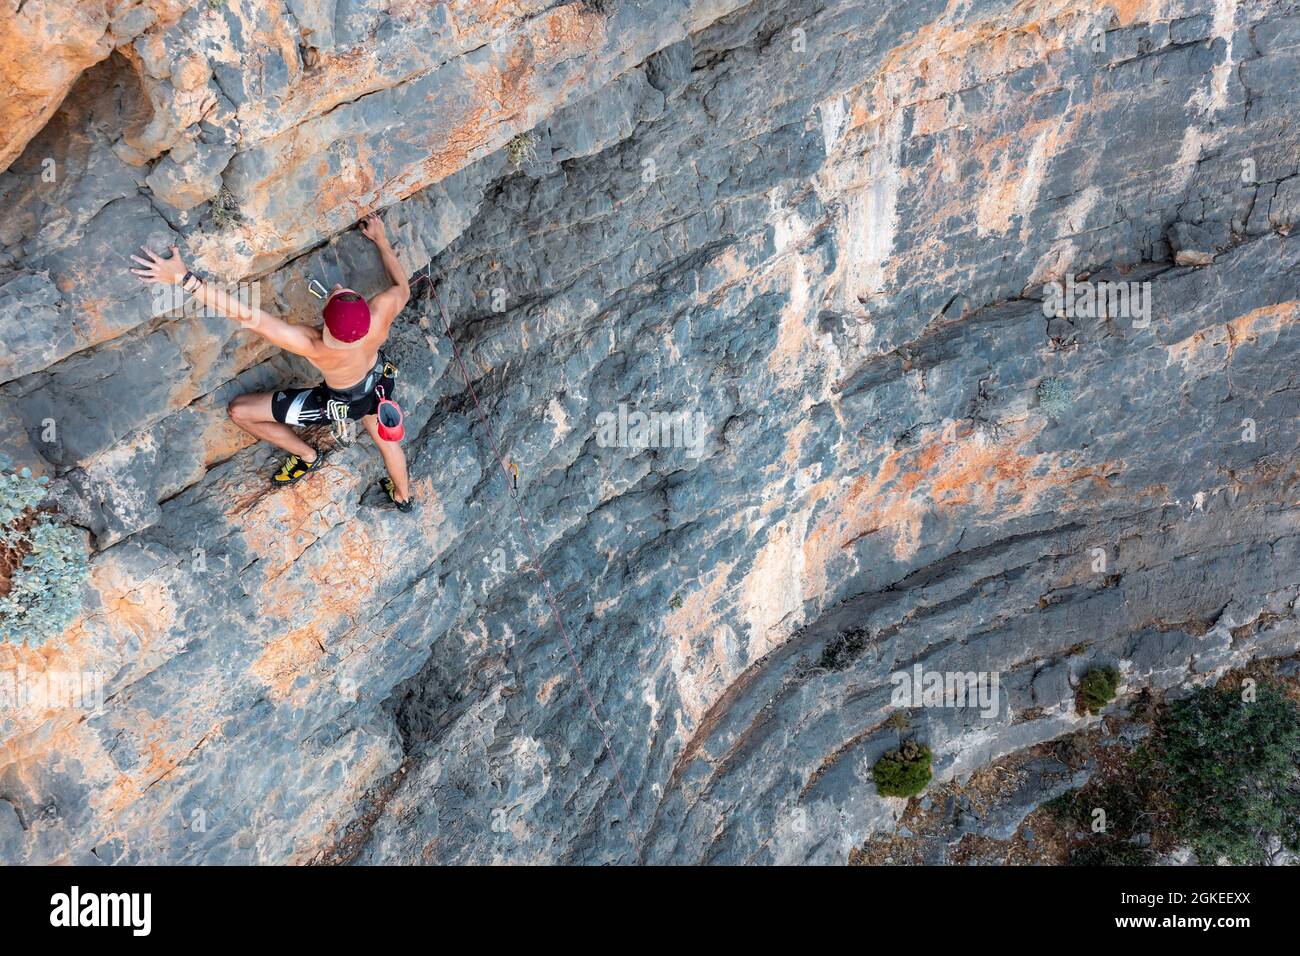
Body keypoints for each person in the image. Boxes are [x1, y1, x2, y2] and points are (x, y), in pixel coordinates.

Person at [130, 214, 414, 510]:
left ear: (326, 322)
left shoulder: (313, 345)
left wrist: (183, 279)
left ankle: (307, 456)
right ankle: (403, 497)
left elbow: (245, 315)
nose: (339, 284)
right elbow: (403, 289)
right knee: (387, 442)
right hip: (378, 384)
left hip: (337, 401)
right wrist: (381, 239)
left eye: (335, 294)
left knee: (240, 412)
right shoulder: (381, 313)